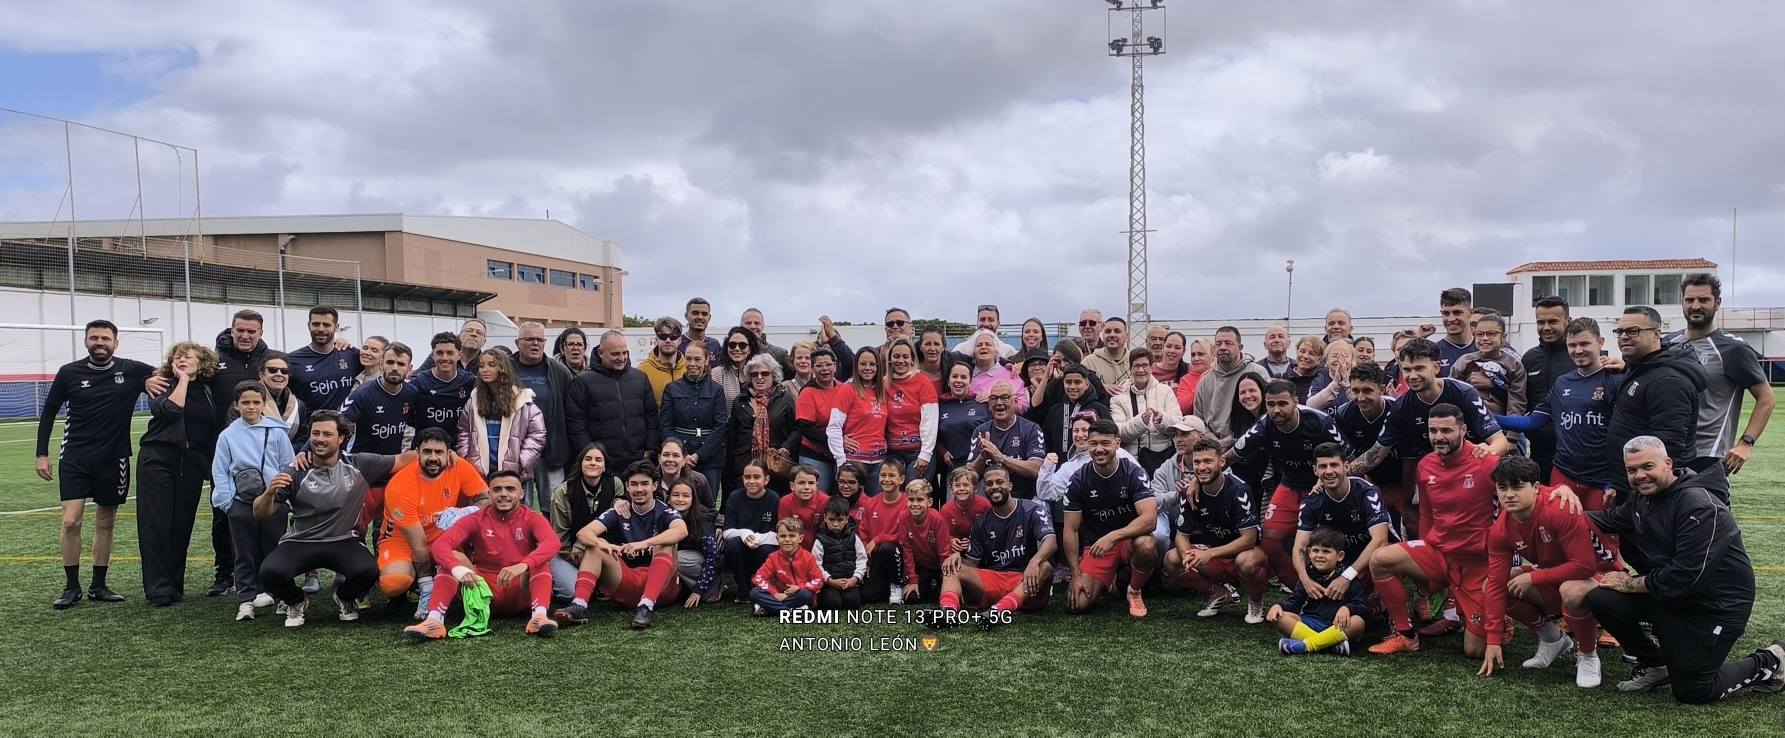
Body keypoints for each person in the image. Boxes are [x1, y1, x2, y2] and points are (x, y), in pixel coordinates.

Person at [1572, 436, 1785, 701]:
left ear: (1668, 464)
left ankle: (1772, 659)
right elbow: (1607, 519)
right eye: (1631, 470)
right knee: (1601, 598)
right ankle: (1655, 664)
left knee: (1693, 691)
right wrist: (1552, 507)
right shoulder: (1642, 499)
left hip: (1718, 605)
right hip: (1675, 593)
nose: (1640, 476)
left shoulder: (1697, 504)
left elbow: (1685, 577)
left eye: (1647, 466)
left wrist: (1628, 583)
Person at [35, 319, 154, 609]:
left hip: (114, 459)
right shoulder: (69, 373)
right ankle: (71, 586)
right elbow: (50, 412)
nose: (99, 343)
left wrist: (152, 380)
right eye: (94, 338)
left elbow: (170, 374)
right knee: (71, 520)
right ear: (86, 341)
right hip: (75, 456)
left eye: (105, 338)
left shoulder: (133, 370)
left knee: (106, 521)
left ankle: (99, 585)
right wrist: (41, 454)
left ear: (116, 342)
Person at [1367, 404, 1501, 656]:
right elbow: (1427, 515)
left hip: (1477, 563)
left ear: (1463, 430)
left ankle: (1499, 617)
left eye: (1446, 430)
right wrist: (1425, 556)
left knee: (1474, 651)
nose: (1439, 436)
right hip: (1440, 554)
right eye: (1433, 430)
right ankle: (1405, 634)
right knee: (1380, 559)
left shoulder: (1487, 462)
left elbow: (1516, 501)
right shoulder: (1426, 465)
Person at [253, 410, 409, 627]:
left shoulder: (359, 464)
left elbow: (402, 459)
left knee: (368, 571)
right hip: (301, 541)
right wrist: (269, 493)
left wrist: (445, 455)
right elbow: (259, 513)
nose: (320, 439)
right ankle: (297, 601)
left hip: (344, 540)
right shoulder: (296, 470)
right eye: (315, 433)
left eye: (327, 434)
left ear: (341, 438)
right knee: (269, 572)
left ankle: (344, 597)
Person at [1477, 457, 1618, 688]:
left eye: (1517, 486)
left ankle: (1588, 655)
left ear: (1535, 488)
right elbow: (1494, 584)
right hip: (1557, 573)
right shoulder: (1500, 530)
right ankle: (1552, 639)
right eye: (1502, 488)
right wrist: (1493, 639)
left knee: (1571, 589)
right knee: (1497, 584)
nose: (1509, 494)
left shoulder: (1559, 508)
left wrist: (1533, 577)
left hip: (1606, 577)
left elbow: (1585, 566)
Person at [402, 470, 560, 641]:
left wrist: (522, 565)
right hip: (483, 592)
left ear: (521, 493)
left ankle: (539, 616)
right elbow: (441, 545)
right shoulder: (476, 518)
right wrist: (457, 569)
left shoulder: (531, 517)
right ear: (489, 493)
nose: (503, 494)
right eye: (497, 489)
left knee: (539, 561)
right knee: (453, 558)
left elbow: (553, 543)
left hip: (520, 591)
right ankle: (433, 621)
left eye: (510, 489)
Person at [1349, 338, 1509, 495]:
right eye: (1407, 369)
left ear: (1436, 367)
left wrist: (1485, 452)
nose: (1412, 375)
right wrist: (1340, 471)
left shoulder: (1463, 393)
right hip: (1441, 475)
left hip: (1476, 468)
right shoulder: (1401, 407)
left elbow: (1501, 443)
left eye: (1419, 368)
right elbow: (1375, 455)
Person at [1228, 380, 1348, 590]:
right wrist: (1198, 478)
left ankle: (1340, 588)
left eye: (1282, 404)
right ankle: (1298, 587)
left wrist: (1328, 479)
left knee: (1328, 542)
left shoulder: (1319, 421)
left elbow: (1350, 458)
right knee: (1270, 541)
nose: (1276, 410)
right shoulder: (1265, 424)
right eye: (1271, 404)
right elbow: (1232, 455)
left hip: (1323, 487)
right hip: (1289, 484)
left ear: (1296, 401)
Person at [1496, 318, 1621, 512]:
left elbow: (1627, 433)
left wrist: (1615, 479)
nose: (1578, 350)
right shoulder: (1563, 383)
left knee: (1600, 537)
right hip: (1564, 474)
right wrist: (1488, 417)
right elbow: (1533, 421)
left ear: (1601, 342)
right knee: (1559, 533)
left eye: (1585, 343)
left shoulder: (1616, 380)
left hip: (1601, 479)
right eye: (1572, 345)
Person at [554, 461, 688, 629]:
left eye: (645, 484)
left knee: (665, 543)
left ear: (654, 486)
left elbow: (681, 530)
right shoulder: (619, 511)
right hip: (627, 583)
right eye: (634, 484)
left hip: (662, 589)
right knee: (595, 547)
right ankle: (579, 605)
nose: (639, 489)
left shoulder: (664, 510)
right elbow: (584, 533)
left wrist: (643, 544)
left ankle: (646, 606)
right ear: (627, 487)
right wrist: (606, 546)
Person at [136, 341, 220, 606]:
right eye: (178, 357)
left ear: (201, 362)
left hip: (192, 462)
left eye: (188, 356)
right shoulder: (163, 384)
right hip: (159, 457)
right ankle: (158, 588)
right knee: (156, 524)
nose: (182, 359)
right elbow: (171, 411)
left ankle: (174, 584)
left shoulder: (207, 390)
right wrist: (182, 380)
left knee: (181, 524)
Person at [1666, 273, 1774, 477]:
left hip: (1708, 455)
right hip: (1666, 453)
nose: (1695, 306)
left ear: (1717, 303)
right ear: (1682, 303)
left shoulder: (1733, 349)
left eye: (1703, 300)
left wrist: (1746, 444)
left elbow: (1766, 398)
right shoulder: (1668, 344)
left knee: (1707, 509)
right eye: (1690, 300)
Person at [377, 427, 490, 613]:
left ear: (449, 453)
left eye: (439, 452)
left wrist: (467, 511)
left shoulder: (459, 465)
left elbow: (487, 499)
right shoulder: (400, 485)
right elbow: (418, 544)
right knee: (394, 583)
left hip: (441, 537)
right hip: (402, 541)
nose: (433, 458)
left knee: (462, 561)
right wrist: (426, 586)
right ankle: (416, 586)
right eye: (427, 452)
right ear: (417, 454)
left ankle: (465, 585)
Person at [212, 381, 296, 620]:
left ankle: (278, 594)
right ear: (236, 405)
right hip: (241, 501)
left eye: (256, 402)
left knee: (274, 549)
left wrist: (283, 498)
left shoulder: (277, 432)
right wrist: (228, 502)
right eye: (245, 402)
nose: (251, 407)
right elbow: (220, 470)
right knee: (244, 552)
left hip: (272, 501)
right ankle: (246, 599)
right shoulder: (227, 435)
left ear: (263, 404)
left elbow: (287, 466)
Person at [1604, 306, 1707, 497]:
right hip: (1631, 487)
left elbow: (1669, 448)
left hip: (1649, 493)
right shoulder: (1641, 368)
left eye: (1633, 331)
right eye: (1620, 331)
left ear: (1656, 334)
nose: (1624, 336)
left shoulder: (1667, 381)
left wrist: (1643, 497)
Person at [204, 309, 271, 596]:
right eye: (240, 330)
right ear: (232, 330)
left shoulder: (270, 361)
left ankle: (266, 572)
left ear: (260, 333)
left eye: (251, 331)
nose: (245, 335)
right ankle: (224, 571)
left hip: (262, 453)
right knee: (223, 512)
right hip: (222, 449)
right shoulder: (212, 361)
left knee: (268, 514)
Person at [1164, 438, 1268, 623]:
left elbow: (1249, 540)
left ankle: (1256, 602)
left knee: (1247, 560)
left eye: (1208, 461)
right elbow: (1181, 535)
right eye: (1197, 462)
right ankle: (1219, 593)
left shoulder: (1239, 489)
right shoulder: (1190, 492)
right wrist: (1187, 554)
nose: (1201, 467)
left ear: (1221, 462)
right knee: (1172, 558)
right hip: (1216, 554)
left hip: (1245, 553)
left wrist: (1209, 554)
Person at [1063, 420, 1159, 618]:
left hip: (1127, 542)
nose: (1099, 449)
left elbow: (1150, 519)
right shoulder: (1078, 480)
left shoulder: (1133, 472)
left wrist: (1114, 536)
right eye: (1094, 443)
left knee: (1147, 544)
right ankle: (1110, 581)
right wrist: (1075, 574)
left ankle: (1133, 590)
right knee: (1077, 604)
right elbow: (1070, 530)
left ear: (1117, 443)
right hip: (1097, 547)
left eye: (1105, 443)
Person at [938, 467, 1058, 617]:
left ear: (1010, 486)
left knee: (1045, 566)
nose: (994, 486)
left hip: (1026, 580)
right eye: (989, 483)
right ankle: (947, 612)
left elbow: (1051, 541)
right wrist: (957, 558)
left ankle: (999, 611)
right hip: (996, 579)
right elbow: (972, 564)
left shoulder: (1032, 509)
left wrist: (1034, 562)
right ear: (985, 489)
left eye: (999, 482)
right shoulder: (981, 523)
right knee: (952, 568)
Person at [1293, 444, 1395, 614]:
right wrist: (1305, 580)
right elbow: (1300, 547)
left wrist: (1346, 577)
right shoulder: (1311, 502)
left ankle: (1394, 617)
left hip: (1376, 552)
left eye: (1334, 465)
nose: (1329, 471)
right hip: (1343, 557)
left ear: (1346, 467)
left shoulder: (1367, 492)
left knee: (1383, 557)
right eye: (1323, 466)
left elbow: (1380, 540)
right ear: (1315, 471)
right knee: (1316, 561)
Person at [566, 330, 661, 471]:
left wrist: (650, 450)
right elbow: (576, 425)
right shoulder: (582, 382)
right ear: (600, 352)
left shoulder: (641, 378)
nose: (621, 358)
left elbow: (651, 417)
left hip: (638, 462)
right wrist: (591, 456)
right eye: (615, 354)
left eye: (625, 353)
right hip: (602, 465)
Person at [1268, 528, 1370, 656]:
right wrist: (1279, 606)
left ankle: (1307, 645)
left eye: (1326, 551)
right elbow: (1294, 604)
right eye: (1316, 550)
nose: (1320, 555)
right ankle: (1331, 646)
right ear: (1309, 552)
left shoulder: (1347, 579)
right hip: (1309, 623)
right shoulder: (1307, 577)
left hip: (1337, 626)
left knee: (1358, 622)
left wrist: (1347, 608)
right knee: (1281, 618)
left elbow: (1363, 608)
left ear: (1340, 556)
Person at [1329, 364, 1407, 529]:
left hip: (1404, 482)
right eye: (1355, 391)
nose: (1361, 397)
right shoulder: (1344, 415)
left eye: (1367, 391)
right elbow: (1342, 457)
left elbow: (1412, 457)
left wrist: (1409, 494)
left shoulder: (1398, 409)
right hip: (1370, 483)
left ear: (1381, 389)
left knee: (1412, 526)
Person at [548, 443, 624, 603]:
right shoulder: (563, 493)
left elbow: (614, 527)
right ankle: (552, 579)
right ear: (580, 464)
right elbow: (560, 541)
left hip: (603, 549)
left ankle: (597, 581)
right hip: (568, 553)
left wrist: (584, 546)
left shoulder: (616, 485)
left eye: (598, 460)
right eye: (588, 459)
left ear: (604, 467)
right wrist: (578, 555)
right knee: (571, 594)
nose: (593, 463)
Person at [455, 351, 546, 484]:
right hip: (479, 471)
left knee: (513, 504)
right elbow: (463, 430)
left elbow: (537, 434)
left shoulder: (522, 399)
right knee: (482, 504)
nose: (484, 370)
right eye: (481, 366)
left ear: (503, 368)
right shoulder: (474, 400)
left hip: (513, 472)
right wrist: (466, 458)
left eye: (491, 365)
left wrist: (522, 461)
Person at [511, 322, 575, 505]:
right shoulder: (505, 370)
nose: (535, 344)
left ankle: (553, 535)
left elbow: (570, 412)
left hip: (551, 452)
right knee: (520, 504)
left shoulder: (560, 372)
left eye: (540, 339)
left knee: (554, 503)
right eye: (529, 339)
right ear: (517, 343)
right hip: (516, 451)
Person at [660, 341, 727, 495]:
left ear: (706, 360)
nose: (692, 364)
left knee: (707, 504)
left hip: (710, 458)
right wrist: (681, 454)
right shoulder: (672, 389)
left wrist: (699, 455)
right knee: (678, 500)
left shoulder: (716, 390)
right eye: (688, 359)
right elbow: (666, 425)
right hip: (679, 458)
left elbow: (720, 427)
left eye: (697, 359)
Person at [1522, 296, 1574, 479]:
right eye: (1540, 322)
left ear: (1568, 321)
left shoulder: (1578, 356)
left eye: (1553, 321)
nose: (1546, 327)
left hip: (1574, 454)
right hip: (1538, 452)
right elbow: (1521, 403)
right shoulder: (1529, 358)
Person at [827, 346, 892, 495]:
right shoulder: (847, 390)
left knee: (874, 509)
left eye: (872, 364)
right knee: (853, 509)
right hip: (854, 462)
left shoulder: (882, 391)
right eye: (863, 364)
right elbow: (833, 427)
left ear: (878, 366)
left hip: (878, 462)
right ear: (856, 366)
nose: (867, 368)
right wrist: (841, 461)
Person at [967, 380, 1047, 499]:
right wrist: (982, 457)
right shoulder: (980, 431)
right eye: (994, 398)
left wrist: (1001, 457)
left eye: (1005, 397)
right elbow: (969, 476)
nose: (999, 403)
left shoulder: (1031, 429)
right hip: (991, 497)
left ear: (1015, 402)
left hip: (1024, 497)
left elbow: (1036, 469)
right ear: (989, 404)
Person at [728, 354, 795, 492]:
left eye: (764, 373)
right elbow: (732, 436)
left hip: (775, 466)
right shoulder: (740, 401)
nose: (759, 378)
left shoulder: (785, 399)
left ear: (773, 375)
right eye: (754, 374)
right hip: (745, 466)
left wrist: (786, 446)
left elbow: (796, 429)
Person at [1194, 327, 1270, 444]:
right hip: (1215, 447)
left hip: (1252, 445)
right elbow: (1199, 420)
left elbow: (1268, 412)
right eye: (1219, 344)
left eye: (1228, 343)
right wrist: (1216, 442)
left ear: (1240, 348)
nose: (1223, 347)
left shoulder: (1258, 372)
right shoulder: (1205, 381)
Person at [720, 461, 783, 601]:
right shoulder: (734, 497)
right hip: (740, 547)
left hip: (763, 545)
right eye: (747, 477)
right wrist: (744, 534)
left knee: (766, 550)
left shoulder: (774, 498)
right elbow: (727, 531)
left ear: (766, 479)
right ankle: (743, 590)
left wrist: (756, 538)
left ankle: (760, 584)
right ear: (742, 479)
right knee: (733, 545)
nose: (751, 481)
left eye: (756, 477)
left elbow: (777, 534)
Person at [1112, 347, 1182, 472]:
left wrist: (1162, 420)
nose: (1140, 370)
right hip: (1132, 463)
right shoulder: (1118, 397)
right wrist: (1141, 422)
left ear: (1151, 368)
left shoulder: (1165, 391)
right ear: (1130, 369)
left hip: (1163, 461)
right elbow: (1118, 432)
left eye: (1145, 365)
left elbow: (1178, 425)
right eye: (1136, 366)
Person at [342, 342, 417, 456]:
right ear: (381, 364)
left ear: (409, 368)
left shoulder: (411, 393)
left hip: (393, 463)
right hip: (362, 464)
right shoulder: (362, 393)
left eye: (401, 364)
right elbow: (334, 424)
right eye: (390, 362)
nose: (395, 368)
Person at [790, 347, 847, 491]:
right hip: (815, 454)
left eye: (828, 364)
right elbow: (806, 428)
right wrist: (837, 440)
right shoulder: (808, 392)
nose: (824, 369)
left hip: (843, 452)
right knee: (817, 497)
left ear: (835, 365)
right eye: (819, 365)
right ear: (813, 368)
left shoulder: (845, 389)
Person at [884, 339, 940, 481]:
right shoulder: (884, 383)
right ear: (889, 359)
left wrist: (925, 454)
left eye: (905, 356)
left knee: (914, 496)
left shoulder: (923, 382)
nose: (901, 360)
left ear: (912, 359)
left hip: (917, 452)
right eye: (896, 356)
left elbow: (930, 422)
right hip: (892, 453)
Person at [286, 306, 360, 412]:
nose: (321, 329)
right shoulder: (292, 360)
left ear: (336, 327)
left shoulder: (352, 355)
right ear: (308, 326)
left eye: (326, 325)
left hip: (346, 426)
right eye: (316, 324)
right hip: (311, 426)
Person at [1451, 312, 1526, 417]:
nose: (1485, 338)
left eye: (1491, 333)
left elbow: (1517, 403)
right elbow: (1451, 393)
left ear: (1503, 337)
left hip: (1501, 423)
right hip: (1469, 420)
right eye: (1480, 334)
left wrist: (1511, 432)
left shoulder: (1514, 365)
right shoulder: (1464, 361)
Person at [409, 332, 477, 447]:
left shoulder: (470, 381)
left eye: (450, 353)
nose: (445, 358)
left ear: (459, 355)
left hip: (457, 450)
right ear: (432, 355)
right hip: (426, 450)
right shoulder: (419, 382)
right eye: (439, 353)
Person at [749, 517, 825, 615]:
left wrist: (799, 587)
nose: (787, 540)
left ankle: (769, 609)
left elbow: (819, 580)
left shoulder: (808, 557)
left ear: (800, 538)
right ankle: (791, 611)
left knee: (806, 595)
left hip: (798, 595)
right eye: (783, 536)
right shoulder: (773, 557)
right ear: (777, 538)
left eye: (792, 536)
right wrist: (775, 593)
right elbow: (758, 578)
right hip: (779, 594)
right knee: (754, 593)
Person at [859, 465, 911, 603]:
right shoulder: (871, 503)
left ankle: (897, 584)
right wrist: (866, 550)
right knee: (868, 596)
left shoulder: (908, 503)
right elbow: (863, 531)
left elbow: (904, 537)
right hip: (877, 556)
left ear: (901, 479)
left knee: (887, 548)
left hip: (899, 554)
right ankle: (886, 585)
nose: (886, 479)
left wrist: (878, 539)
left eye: (892, 475)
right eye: (883, 475)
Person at [666, 480, 721, 607]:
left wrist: (698, 590)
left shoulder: (702, 520)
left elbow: (713, 557)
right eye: (676, 495)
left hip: (708, 562)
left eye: (686, 496)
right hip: (687, 556)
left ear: (693, 500)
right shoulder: (664, 515)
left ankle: (713, 586)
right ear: (668, 499)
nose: (680, 499)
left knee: (676, 559)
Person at [935, 362, 990, 486]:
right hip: (954, 469)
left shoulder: (981, 403)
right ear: (948, 381)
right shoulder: (939, 405)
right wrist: (942, 451)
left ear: (970, 381)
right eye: (954, 376)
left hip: (982, 468)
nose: (958, 380)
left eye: (963, 377)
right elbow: (933, 434)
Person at [1042, 366, 1111, 458]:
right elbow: (1046, 440)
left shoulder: (1099, 409)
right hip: (1058, 468)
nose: (1072, 387)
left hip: (1091, 466)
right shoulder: (1055, 411)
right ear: (1063, 383)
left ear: (1087, 384)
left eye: (1077, 382)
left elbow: (1109, 437)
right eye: (1068, 382)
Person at [812, 496, 868, 609]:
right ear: (825, 518)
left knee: (852, 602)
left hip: (850, 581)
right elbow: (815, 564)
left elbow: (862, 559)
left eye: (840, 520)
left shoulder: (854, 538)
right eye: (831, 520)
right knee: (833, 604)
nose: (836, 524)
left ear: (847, 519)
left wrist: (855, 578)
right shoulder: (820, 540)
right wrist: (830, 580)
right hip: (829, 584)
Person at [897, 481, 949, 602]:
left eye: (920, 500)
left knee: (942, 596)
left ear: (929, 502)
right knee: (911, 598)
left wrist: (945, 579)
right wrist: (912, 580)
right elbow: (907, 550)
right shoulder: (903, 517)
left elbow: (944, 553)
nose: (915, 504)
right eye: (911, 499)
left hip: (938, 567)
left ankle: (937, 584)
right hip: (921, 567)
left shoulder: (938, 519)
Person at [965, 329, 1029, 413]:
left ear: (996, 350)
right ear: (973, 351)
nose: (983, 347)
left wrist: (995, 400)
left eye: (988, 344)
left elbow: (1024, 405)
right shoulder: (965, 376)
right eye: (979, 345)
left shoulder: (1011, 373)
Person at [778, 465, 832, 549]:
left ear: (817, 486)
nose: (806, 487)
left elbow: (830, 533)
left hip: (821, 550)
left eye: (811, 483)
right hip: (793, 550)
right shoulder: (785, 502)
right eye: (801, 483)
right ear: (792, 486)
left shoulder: (826, 501)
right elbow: (785, 534)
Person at [940, 468, 991, 552]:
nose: (961, 488)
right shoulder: (946, 510)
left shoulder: (985, 505)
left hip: (980, 546)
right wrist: (950, 540)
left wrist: (973, 541)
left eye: (966, 485)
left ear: (975, 488)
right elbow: (942, 533)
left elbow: (990, 530)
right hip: (955, 548)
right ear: (951, 489)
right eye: (957, 485)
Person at [711, 326, 760, 412]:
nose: (737, 349)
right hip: (726, 424)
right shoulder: (717, 373)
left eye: (742, 345)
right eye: (732, 345)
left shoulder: (759, 373)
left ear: (750, 350)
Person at [639, 315, 686, 404]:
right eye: (663, 336)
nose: (668, 340)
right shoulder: (642, 371)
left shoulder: (690, 368)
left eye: (673, 336)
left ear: (680, 340)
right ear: (656, 339)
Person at [655, 438, 713, 508]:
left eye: (676, 455)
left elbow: (710, 510)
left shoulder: (698, 481)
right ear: (659, 458)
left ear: (684, 460)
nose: (670, 459)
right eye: (666, 455)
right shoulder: (650, 481)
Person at [1433, 288, 1478, 375]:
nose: (1451, 319)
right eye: (1446, 313)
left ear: (1471, 313)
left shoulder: (1485, 349)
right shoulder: (1433, 352)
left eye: (1457, 312)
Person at [740, 307, 795, 379]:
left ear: (763, 326)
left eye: (757, 323)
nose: (753, 326)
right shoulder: (733, 352)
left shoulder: (780, 354)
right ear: (741, 325)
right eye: (748, 323)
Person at [1082, 317, 1134, 391]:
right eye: (1108, 331)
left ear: (1126, 337)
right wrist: (1100, 387)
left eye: (1117, 331)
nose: (1112, 335)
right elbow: (1079, 388)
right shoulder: (1089, 362)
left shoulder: (1134, 360)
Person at [418, 318, 487, 373]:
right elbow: (415, 378)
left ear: (484, 341)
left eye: (479, 333)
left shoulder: (486, 363)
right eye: (469, 330)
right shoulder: (440, 356)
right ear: (459, 336)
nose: (474, 334)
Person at [1173, 337, 1211, 414]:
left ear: (1213, 356)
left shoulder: (1222, 376)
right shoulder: (1186, 380)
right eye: (1193, 355)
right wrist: (1201, 384)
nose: (1196, 358)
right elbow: (1183, 409)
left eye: (1201, 354)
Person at [1281, 336, 1324, 403]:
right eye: (1302, 351)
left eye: (1312, 353)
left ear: (1320, 359)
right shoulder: (1281, 379)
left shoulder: (1322, 382)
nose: (1305, 356)